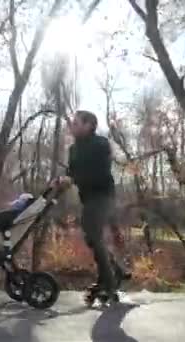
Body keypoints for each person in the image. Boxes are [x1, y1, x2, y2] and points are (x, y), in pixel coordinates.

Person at [57, 110, 129, 302]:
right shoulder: (73, 150)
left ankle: (109, 284)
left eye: (76, 123)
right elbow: (71, 172)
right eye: (72, 123)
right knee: (91, 239)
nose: (72, 126)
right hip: (87, 198)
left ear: (89, 125)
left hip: (103, 196)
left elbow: (98, 172)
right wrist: (62, 180)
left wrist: (73, 179)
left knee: (93, 236)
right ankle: (116, 271)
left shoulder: (101, 144)